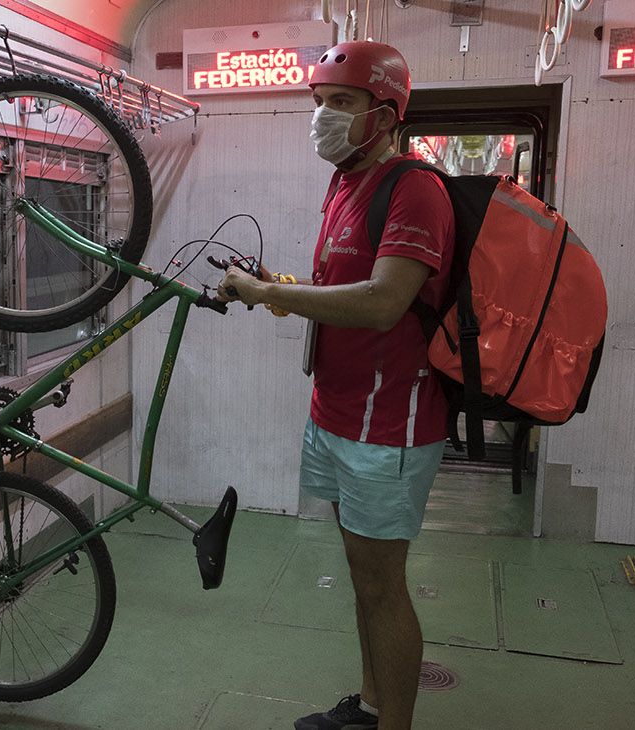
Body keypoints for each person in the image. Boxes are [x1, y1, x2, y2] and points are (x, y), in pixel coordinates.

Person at [217, 41, 455, 730]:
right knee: (363, 576)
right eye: (319, 102)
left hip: (390, 426)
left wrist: (264, 292)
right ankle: (372, 706)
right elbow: (345, 292)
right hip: (339, 411)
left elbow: (384, 302)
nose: (322, 116)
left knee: (383, 586)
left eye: (341, 103)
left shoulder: (415, 188)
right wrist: (286, 291)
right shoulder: (346, 183)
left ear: (384, 114)